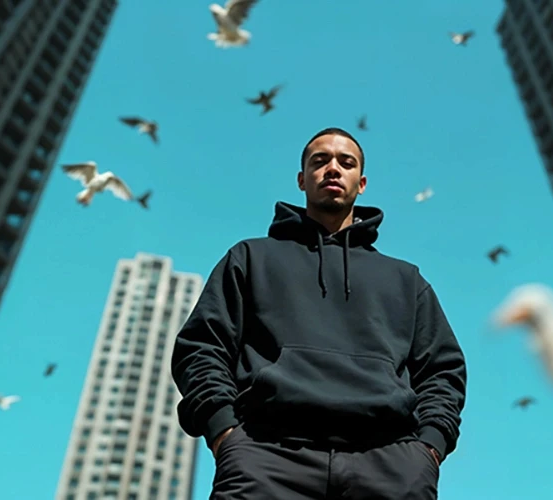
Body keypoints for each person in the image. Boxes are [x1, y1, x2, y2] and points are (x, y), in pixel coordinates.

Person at [171, 127, 467, 499]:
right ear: (301, 179)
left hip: (390, 466)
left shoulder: (406, 280)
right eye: (320, 160)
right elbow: (202, 347)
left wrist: (429, 448)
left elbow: (442, 370)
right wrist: (225, 433)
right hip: (266, 460)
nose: (332, 168)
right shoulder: (250, 258)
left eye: (345, 162)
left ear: (361, 183)